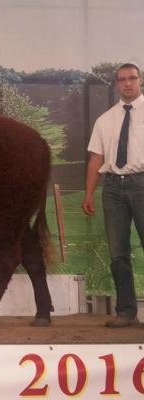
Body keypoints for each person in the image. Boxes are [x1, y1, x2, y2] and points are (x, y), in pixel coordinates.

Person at [82, 62, 144, 328]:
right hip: (113, 189)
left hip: (142, 183)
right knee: (118, 252)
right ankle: (126, 311)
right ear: (116, 84)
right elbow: (96, 158)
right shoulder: (105, 119)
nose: (127, 83)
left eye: (132, 78)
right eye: (122, 79)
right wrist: (88, 194)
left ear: (140, 81)